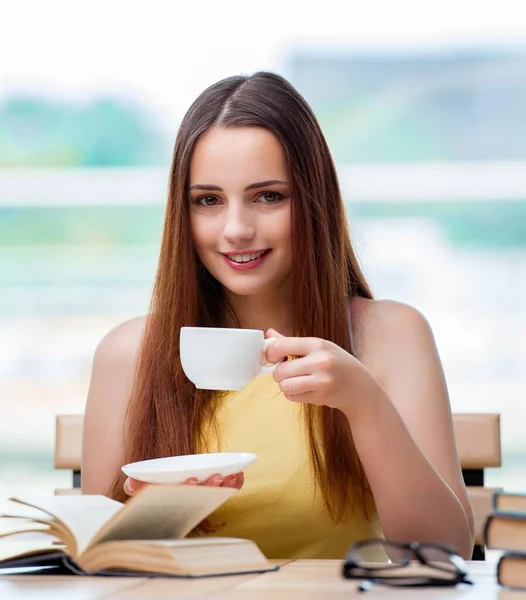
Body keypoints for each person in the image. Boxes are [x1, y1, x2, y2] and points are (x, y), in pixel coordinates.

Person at [81, 71, 474, 560]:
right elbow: (95, 561)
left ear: (314, 202)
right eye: (208, 201)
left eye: (269, 196)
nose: (236, 229)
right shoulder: (128, 353)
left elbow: (443, 552)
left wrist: (364, 404)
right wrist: (163, 512)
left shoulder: (389, 335)